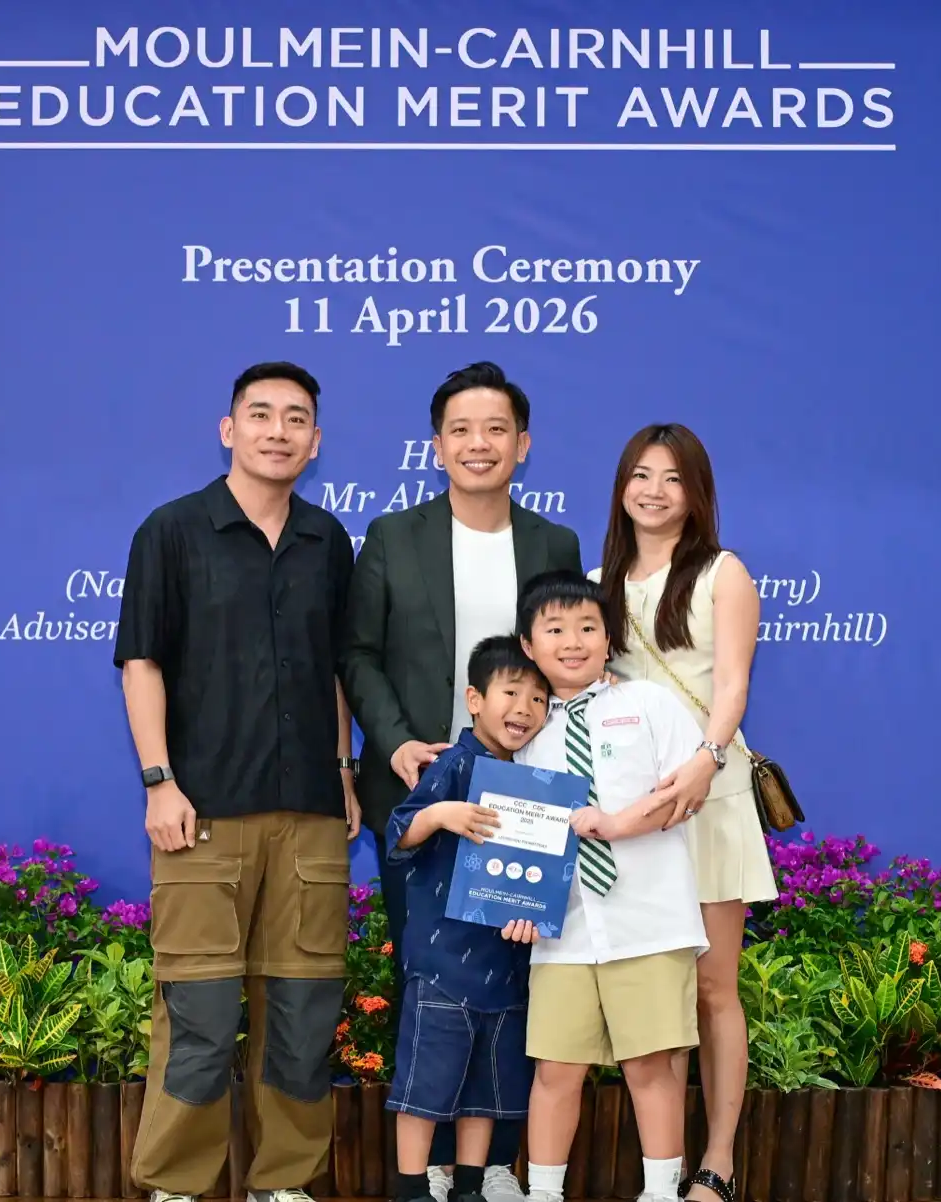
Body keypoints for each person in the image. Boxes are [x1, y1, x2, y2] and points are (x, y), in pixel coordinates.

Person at [114, 362, 362, 1202]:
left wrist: (343, 771)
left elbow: (336, 672)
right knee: (200, 1012)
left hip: (311, 818)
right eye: (260, 414)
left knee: (303, 1010)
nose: (277, 431)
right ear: (229, 429)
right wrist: (159, 781)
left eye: (295, 419)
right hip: (202, 814)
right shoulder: (172, 532)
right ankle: (176, 1184)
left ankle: (283, 1182)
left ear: (315, 441)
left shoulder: (328, 542)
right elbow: (142, 662)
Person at [342, 361, 581, 1200]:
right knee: (431, 983)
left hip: (526, 800)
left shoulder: (554, 544)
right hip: (421, 793)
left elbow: (570, 665)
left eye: (496, 430)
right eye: (461, 431)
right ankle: (427, 1166)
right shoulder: (392, 536)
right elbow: (358, 654)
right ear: (437, 446)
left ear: (523, 444)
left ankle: (487, 1167)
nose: (479, 444)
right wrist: (397, 743)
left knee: (513, 984)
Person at [591, 423, 779, 1202]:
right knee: (655, 994)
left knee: (711, 989)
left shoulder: (722, 574)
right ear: (621, 487)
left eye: (672, 478)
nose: (654, 491)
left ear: (696, 493)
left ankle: (719, 1161)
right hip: (635, 815)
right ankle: (660, 1173)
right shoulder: (598, 581)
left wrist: (704, 759)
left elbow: (733, 683)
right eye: (641, 475)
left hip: (710, 797)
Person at [513, 570, 711, 1202]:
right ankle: (544, 1194)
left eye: (588, 627)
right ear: (528, 645)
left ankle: (661, 1192)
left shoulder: (649, 703)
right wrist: (517, 905)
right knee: (555, 1069)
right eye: (554, 630)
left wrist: (618, 825)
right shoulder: (524, 730)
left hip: (647, 920)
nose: (573, 642)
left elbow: (684, 795)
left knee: (650, 1066)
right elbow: (517, 834)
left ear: (609, 637)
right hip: (563, 931)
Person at [381, 636, 550, 1202]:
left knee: (486, 1085)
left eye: (539, 699)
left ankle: (470, 1186)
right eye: (511, 693)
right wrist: (439, 813)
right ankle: (411, 1187)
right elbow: (399, 832)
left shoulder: (535, 783)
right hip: (444, 961)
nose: (524, 709)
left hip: (504, 963)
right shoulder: (453, 764)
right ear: (475, 700)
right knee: (425, 1081)